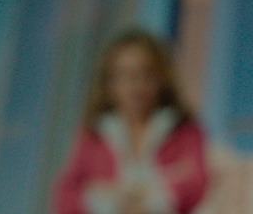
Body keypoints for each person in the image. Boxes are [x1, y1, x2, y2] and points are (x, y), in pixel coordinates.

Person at [53, 29, 209, 214]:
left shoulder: (185, 131)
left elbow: (196, 182)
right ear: (109, 83)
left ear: (162, 78)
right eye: (125, 74)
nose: (136, 84)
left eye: (146, 73)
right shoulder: (93, 134)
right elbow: (65, 196)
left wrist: (146, 199)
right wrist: (109, 201)